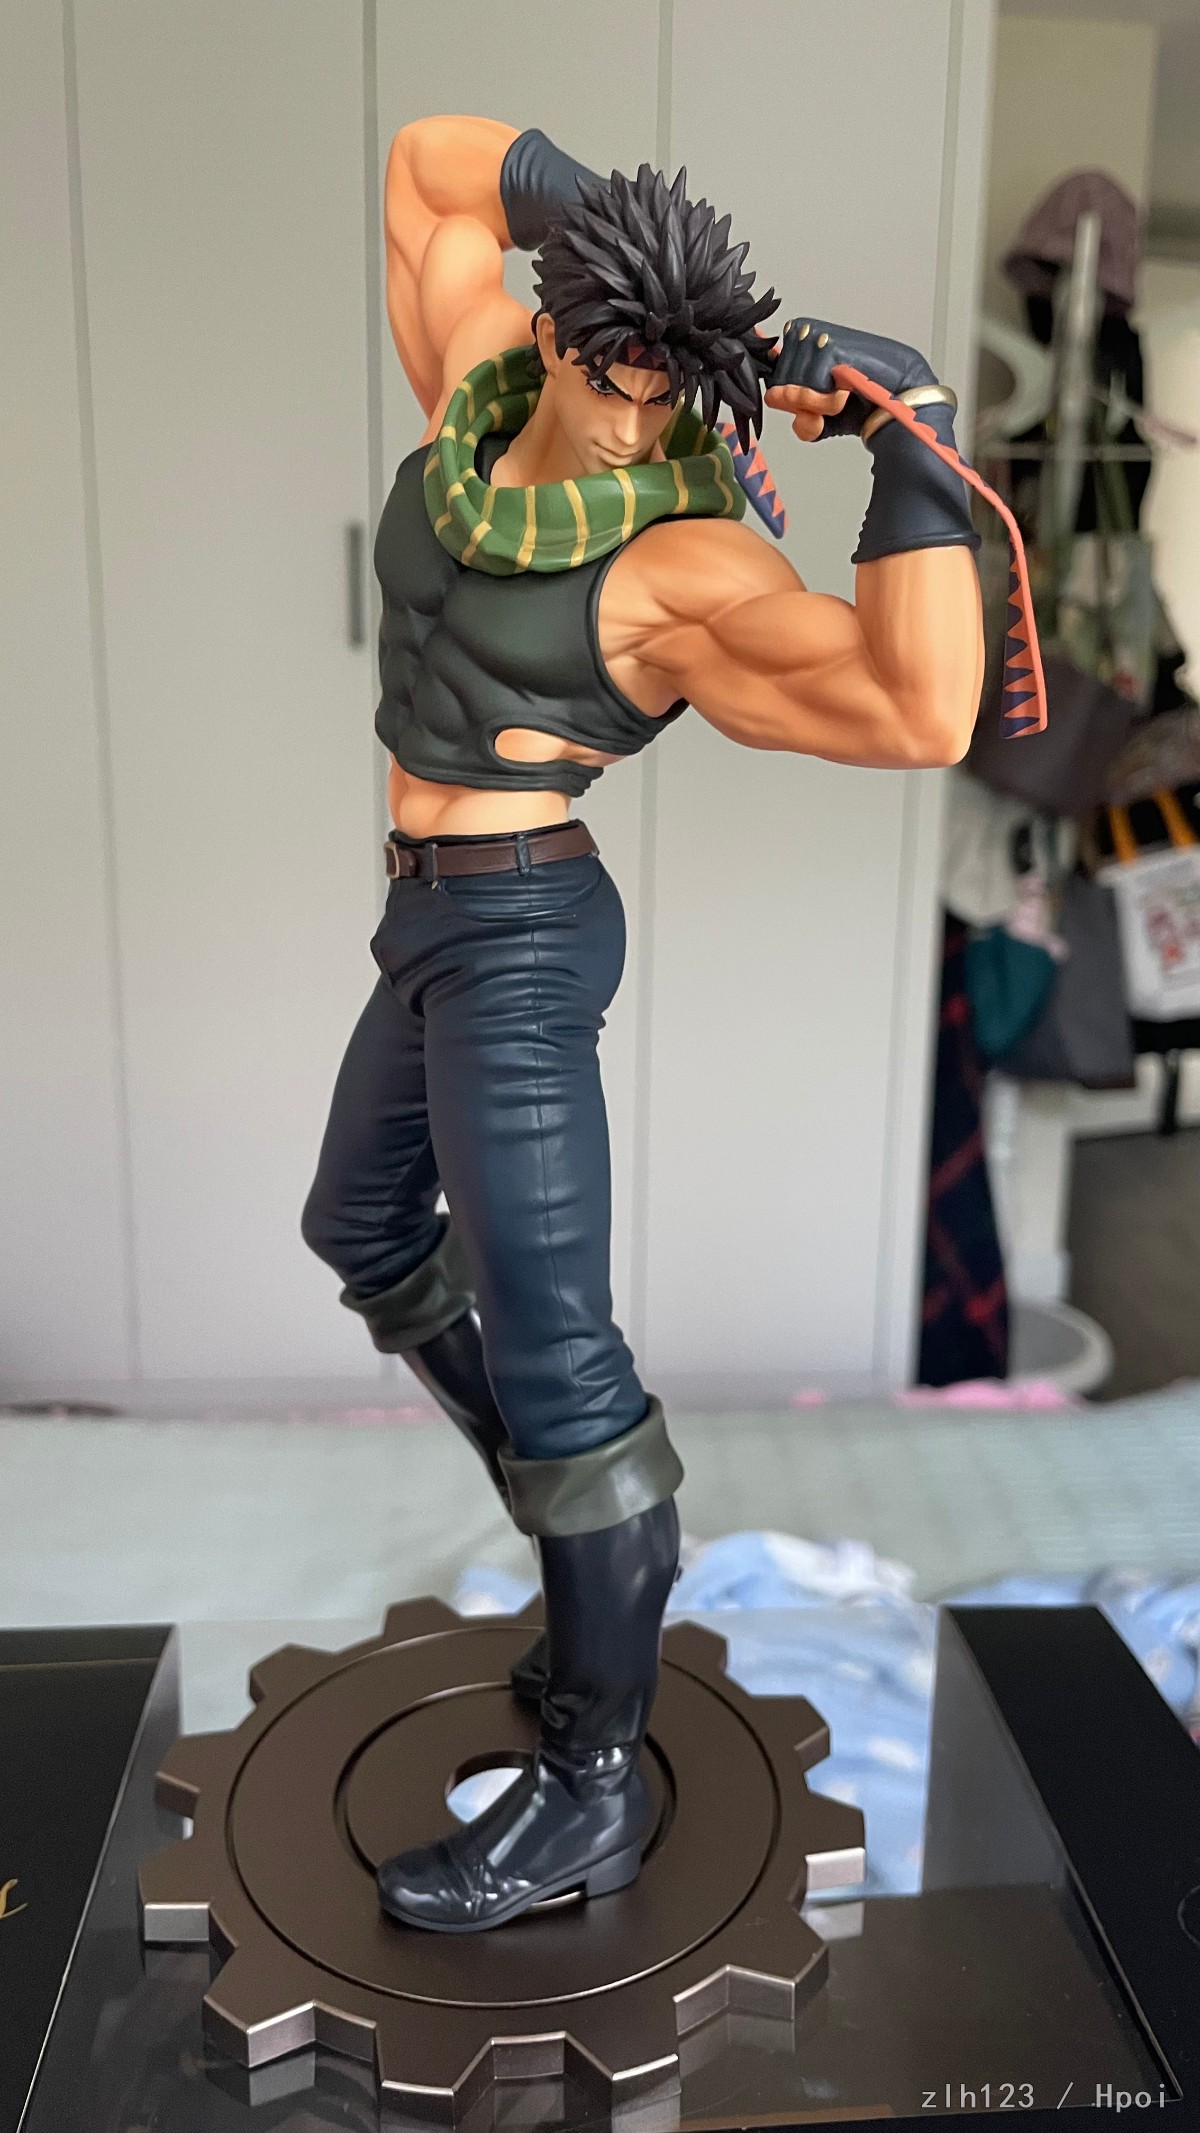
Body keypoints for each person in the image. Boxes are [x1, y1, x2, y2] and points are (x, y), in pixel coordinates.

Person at [300, 116, 985, 1933]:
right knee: (359, 1227)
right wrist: (598, 213)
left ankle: (592, 1776)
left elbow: (917, 709)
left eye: (667, 391)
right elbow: (426, 174)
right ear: (560, 331)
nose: (633, 422)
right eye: (615, 376)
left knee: (563, 1364)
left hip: (523, 935)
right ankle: (578, 1529)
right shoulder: (475, 383)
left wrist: (912, 444)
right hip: (425, 916)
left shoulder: (678, 566)